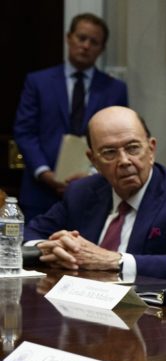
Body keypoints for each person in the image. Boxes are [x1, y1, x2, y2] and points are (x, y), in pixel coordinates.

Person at [26, 106, 166, 282]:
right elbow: (27, 233)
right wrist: (49, 248)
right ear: (93, 160)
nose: (124, 161)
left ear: (151, 149)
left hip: (144, 308)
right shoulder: (81, 192)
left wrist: (114, 260)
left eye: (133, 148)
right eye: (109, 152)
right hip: (80, 302)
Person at [14, 13, 129, 222]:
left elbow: (118, 138)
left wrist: (92, 174)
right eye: (81, 38)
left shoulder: (115, 89)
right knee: (34, 249)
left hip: (93, 191)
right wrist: (45, 173)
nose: (85, 46)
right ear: (69, 38)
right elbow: (24, 132)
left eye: (93, 42)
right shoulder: (38, 82)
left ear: (102, 49)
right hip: (40, 191)